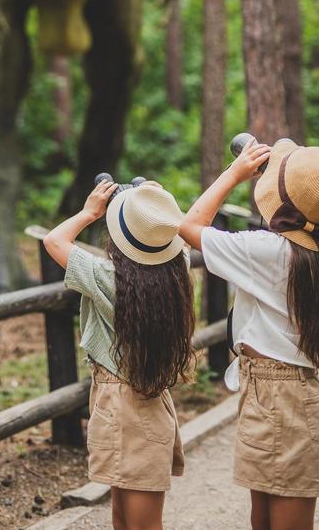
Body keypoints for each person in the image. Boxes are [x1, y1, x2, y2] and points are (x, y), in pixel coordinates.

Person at [179, 137, 319, 530]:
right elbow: (315, 210)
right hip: (288, 395)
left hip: (275, 397)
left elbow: (189, 226)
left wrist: (234, 173)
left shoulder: (267, 251)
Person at [43, 178, 194, 530]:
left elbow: (54, 240)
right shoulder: (176, 272)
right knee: (126, 517)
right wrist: (156, 202)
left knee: (132, 521)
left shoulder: (105, 275)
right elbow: (184, 230)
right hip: (145, 401)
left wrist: (88, 211)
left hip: (118, 402)